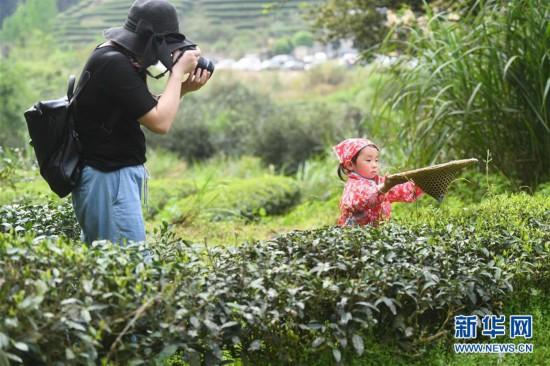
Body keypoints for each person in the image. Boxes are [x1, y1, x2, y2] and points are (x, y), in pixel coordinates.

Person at [72, 0, 211, 244]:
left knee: (111, 268)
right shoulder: (114, 62)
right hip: (109, 178)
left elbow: (146, 108)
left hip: (111, 177)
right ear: (151, 41)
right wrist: (177, 74)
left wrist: (184, 89)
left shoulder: (121, 58)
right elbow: (160, 123)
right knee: (128, 267)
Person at [333, 138, 423, 226]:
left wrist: (422, 184)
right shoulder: (353, 186)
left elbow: (399, 190)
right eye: (368, 160)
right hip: (356, 236)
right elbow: (366, 199)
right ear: (350, 165)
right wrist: (384, 187)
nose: (374, 165)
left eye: (376, 160)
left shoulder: (379, 181)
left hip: (377, 235)